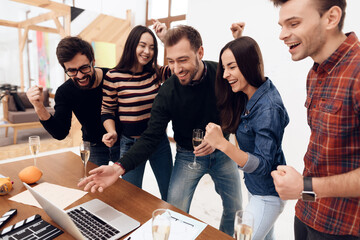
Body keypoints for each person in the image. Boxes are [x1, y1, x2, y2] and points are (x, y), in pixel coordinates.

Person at [79, 23, 243, 236]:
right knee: (174, 212)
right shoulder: (167, 91)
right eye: (171, 62)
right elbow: (150, 136)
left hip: (224, 153)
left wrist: (221, 137)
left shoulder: (219, 75)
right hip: (187, 155)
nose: (176, 69)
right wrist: (119, 167)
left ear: (200, 52)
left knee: (235, 208)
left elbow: (237, 108)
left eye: (183, 60)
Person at [269, 0, 360, 239]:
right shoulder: (315, 72)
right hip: (308, 213)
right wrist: (304, 191)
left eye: (294, 23)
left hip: (343, 229)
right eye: (282, 25)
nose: (282, 35)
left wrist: (305, 187)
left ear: (331, 18)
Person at [205, 36, 288, 240]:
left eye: (231, 67)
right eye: (224, 68)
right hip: (255, 188)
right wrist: (238, 39)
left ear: (248, 64)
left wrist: (222, 144)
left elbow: (262, 165)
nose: (225, 75)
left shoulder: (268, 107)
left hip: (267, 196)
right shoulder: (250, 92)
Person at [100, 24, 173, 201]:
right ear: (132, 45)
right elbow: (107, 110)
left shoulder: (156, 72)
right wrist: (111, 131)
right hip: (130, 145)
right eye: (142, 45)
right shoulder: (113, 76)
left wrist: (165, 39)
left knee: (170, 194)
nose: (147, 51)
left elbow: (181, 68)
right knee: (130, 198)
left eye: (152, 47)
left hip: (158, 142)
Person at [26, 36, 120, 166]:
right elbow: (60, 133)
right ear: (65, 69)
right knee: (94, 185)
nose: (80, 75)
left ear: (93, 61)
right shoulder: (65, 92)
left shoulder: (113, 77)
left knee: (130, 186)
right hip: (93, 146)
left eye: (84, 67)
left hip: (123, 142)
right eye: (72, 70)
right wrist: (38, 106)